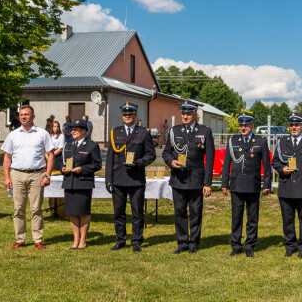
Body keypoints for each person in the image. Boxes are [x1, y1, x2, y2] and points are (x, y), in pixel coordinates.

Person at [162, 101, 215, 254]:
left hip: (196, 180)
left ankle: (194, 243)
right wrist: (171, 161)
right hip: (178, 179)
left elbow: (210, 159)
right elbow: (166, 152)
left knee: (195, 213)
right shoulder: (174, 131)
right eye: (183, 113)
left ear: (195, 114)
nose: (185, 116)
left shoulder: (205, 131)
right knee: (179, 212)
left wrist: (207, 183)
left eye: (188, 113)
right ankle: (182, 243)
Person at [1, 105, 55, 250]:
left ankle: (38, 239)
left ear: (33, 116)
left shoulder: (42, 134)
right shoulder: (13, 135)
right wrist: (7, 177)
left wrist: (47, 175)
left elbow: (50, 155)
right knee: (18, 209)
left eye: (26, 114)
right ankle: (20, 239)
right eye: (21, 115)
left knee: (36, 208)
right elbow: (7, 157)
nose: (23, 117)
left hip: (37, 174)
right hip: (17, 174)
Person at [105, 102, 156, 252]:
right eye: (125, 114)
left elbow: (151, 155)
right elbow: (110, 158)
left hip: (136, 179)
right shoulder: (115, 132)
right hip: (119, 178)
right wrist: (109, 179)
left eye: (130, 114)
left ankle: (136, 241)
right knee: (119, 212)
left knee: (137, 212)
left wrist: (138, 163)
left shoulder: (143, 133)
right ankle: (120, 240)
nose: (127, 116)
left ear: (135, 115)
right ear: (122, 115)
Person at [221, 112, 271, 257]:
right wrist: (225, 182)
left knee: (252, 217)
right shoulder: (233, 140)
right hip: (236, 184)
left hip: (252, 184)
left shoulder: (260, 141)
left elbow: (266, 165)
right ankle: (236, 245)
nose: (243, 128)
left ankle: (249, 245)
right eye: (241, 125)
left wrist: (267, 184)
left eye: (246, 125)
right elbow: (227, 164)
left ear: (252, 125)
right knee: (236, 217)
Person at [272, 112, 302, 259]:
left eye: (297, 125)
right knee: (287, 219)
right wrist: (282, 169)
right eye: (291, 125)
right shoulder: (282, 142)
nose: (294, 127)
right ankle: (290, 246)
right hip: (286, 187)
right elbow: (275, 161)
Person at [61, 119, 102, 249]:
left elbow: (97, 165)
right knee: (72, 212)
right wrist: (63, 169)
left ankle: (83, 240)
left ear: (84, 131)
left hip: (83, 183)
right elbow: (63, 162)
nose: (72, 131)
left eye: (76, 129)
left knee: (83, 212)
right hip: (70, 182)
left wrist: (82, 169)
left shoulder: (91, 145)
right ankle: (75, 239)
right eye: (72, 129)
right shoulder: (68, 145)